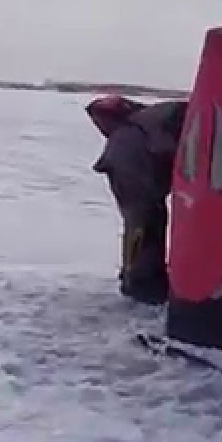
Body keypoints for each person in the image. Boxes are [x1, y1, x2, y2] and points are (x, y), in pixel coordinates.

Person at [86, 94, 189, 305]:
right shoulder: (169, 114)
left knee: (140, 222)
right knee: (144, 221)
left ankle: (137, 279)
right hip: (131, 164)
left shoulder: (146, 121)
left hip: (128, 160)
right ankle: (141, 283)